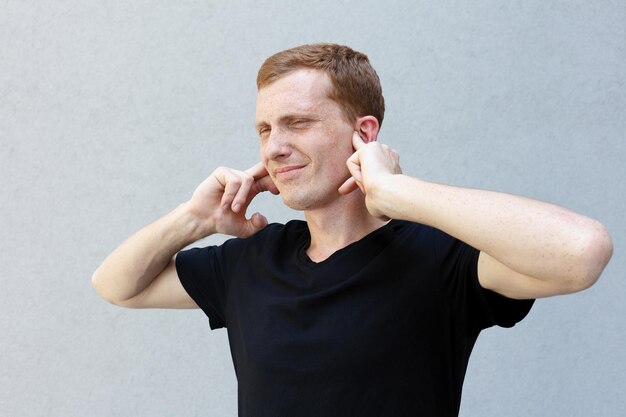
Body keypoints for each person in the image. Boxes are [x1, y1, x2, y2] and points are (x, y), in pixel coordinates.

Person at [92, 43, 613, 416]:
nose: (273, 147)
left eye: (298, 123)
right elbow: (116, 285)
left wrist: (398, 194)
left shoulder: (441, 258)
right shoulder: (251, 258)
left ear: (363, 133)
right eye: (264, 130)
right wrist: (195, 218)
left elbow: (582, 251)